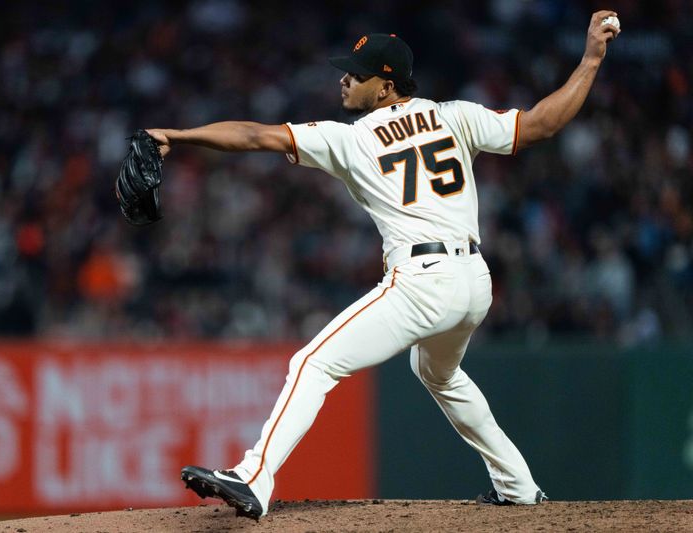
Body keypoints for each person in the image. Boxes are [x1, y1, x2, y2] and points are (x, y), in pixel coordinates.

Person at [147, 10, 620, 519]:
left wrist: (178, 135)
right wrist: (592, 57)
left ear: (387, 83)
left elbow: (255, 135)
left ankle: (254, 476)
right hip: (475, 283)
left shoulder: (352, 138)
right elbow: (544, 124)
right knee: (438, 372)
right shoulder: (454, 114)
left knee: (312, 362)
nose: (345, 78)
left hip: (423, 282)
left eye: (358, 71)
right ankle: (519, 487)